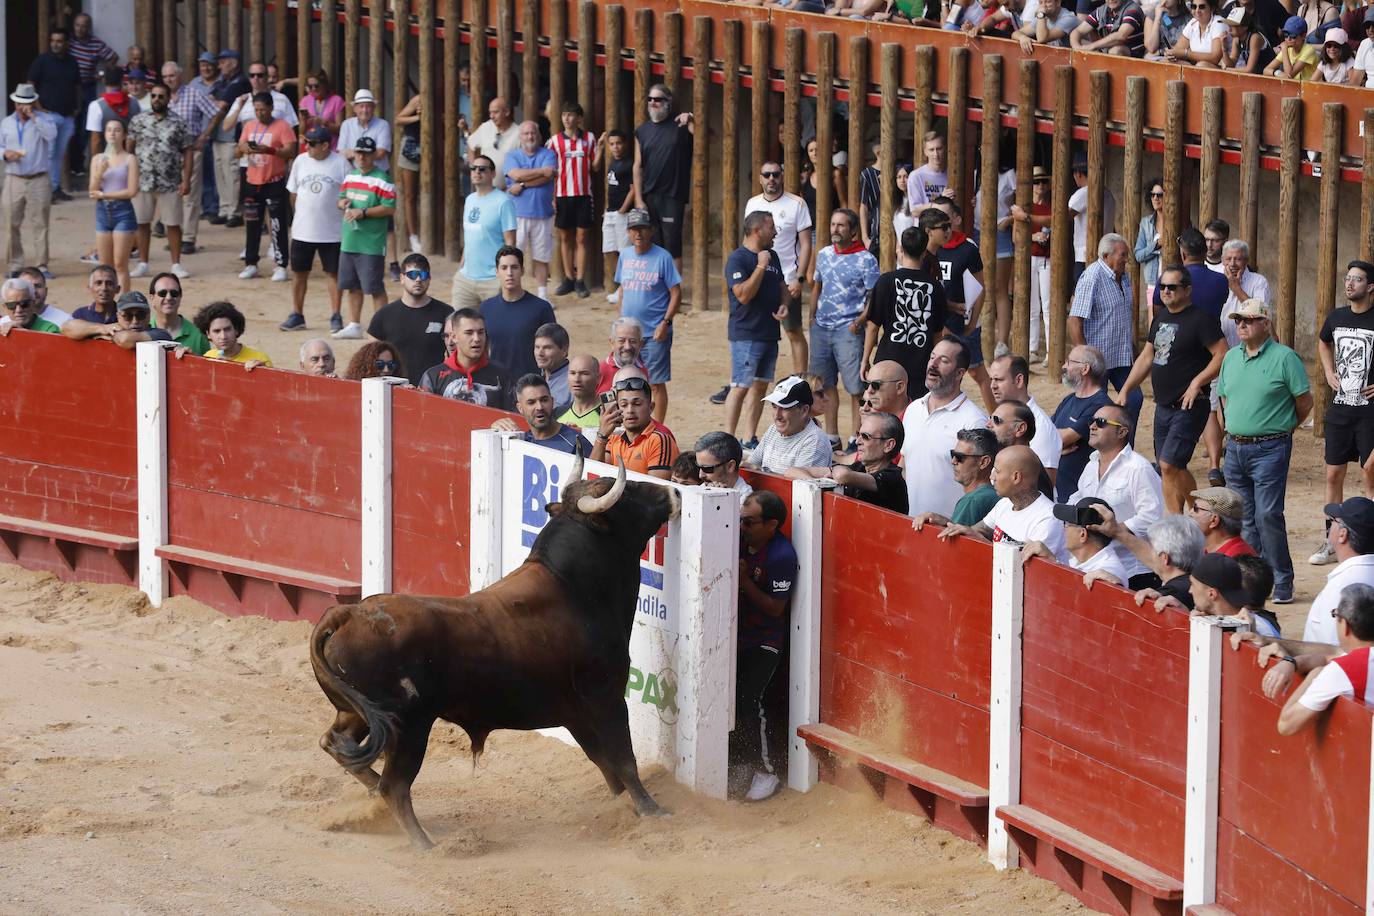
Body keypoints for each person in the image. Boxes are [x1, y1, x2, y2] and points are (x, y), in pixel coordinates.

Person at [1214, 298, 1312, 603]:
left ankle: (1282, 580)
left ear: (1265, 324)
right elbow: (1224, 399)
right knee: (1243, 518)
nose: (1241, 325)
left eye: (1249, 320)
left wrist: (1283, 429)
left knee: (1268, 515)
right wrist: (1230, 429)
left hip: (1270, 448)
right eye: (1238, 320)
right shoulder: (1231, 357)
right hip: (1236, 447)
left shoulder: (1285, 358)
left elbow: (1305, 403)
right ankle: (1253, 582)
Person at [1117, 265, 1228, 512]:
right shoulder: (1161, 318)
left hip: (1190, 405)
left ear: (1187, 290)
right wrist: (1125, 389)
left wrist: (1197, 382)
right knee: (1171, 466)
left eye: (1172, 287)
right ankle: (1189, 515)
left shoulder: (1201, 320)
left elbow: (1222, 355)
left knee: (1167, 465)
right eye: (1162, 287)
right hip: (1164, 405)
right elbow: (1147, 357)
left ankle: (1186, 518)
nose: (1165, 292)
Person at [732, 489, 797, 803]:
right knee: (732, 699)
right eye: (741, 520)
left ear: (771, 525)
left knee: (749, 699)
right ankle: (741, 762)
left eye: (749, 522)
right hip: (736, 634)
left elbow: (775, 608)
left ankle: (767, 770)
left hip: (764, 641)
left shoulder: (781, 556)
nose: (742, 526)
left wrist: (744, 584)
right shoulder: (739, 538)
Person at [1314, 260, 1374, 565]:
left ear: (1370, 287)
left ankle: (1368, 542)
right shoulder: (1336, 317)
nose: (1350, 283)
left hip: (1370, 412)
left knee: (1370, 473)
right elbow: (1324, 342)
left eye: (1358, 279)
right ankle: (1330, 541)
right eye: (1348, 278)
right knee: (1333, 474)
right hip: (1340, 408)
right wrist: (1328, 370)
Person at [1067, 404, 1165, 588]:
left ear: (1121, 432)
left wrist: (1112, 530)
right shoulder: (1091, 465)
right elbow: (1078, 498)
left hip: (1134, 571)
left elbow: (1152, 518)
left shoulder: (1138, 468)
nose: (1092, 426)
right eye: (1092, 421)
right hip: (1093, 564)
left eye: (1101, 422)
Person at [810, 207, 879, 450]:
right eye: (832, 225)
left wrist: (859, 321)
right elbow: (817, 286)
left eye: (841, 225)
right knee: (825, 384)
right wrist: (811, 317)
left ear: (853, 231)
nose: (835, 230)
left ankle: (855, 436)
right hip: (821, 328)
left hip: (849, 330)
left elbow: (873, 297)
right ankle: (831, 436)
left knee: (856, 388)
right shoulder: (824, 254)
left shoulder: (866, 259)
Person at [901, 337, 989, 517]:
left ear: (959, 373)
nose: (933, 364)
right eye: (932, 357)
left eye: (944, 361)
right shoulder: (913, 410)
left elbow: (981, 487)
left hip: (950, 532)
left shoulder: (974, 421)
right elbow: (905, 465)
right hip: (912, 525)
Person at [921, 199, 995, 412]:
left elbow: (980, 287)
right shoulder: (927, 248)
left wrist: (973, 321)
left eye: (945, 218)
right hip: (937, 322)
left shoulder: (967, 248)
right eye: (936, 217)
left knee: (976, 371)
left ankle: (996, 416)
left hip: (962, 320)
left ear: (955, 219)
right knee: (937, 371)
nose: (941, 223)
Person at [745, 160, 814, 380]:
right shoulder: (752, 203)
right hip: (759, 276)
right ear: (760, 178)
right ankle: (751, 377)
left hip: (786, 278)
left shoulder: (797, 203)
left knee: (793, 331)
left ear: (782, 176)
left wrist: (799, 278)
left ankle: (800, 380)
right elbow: (747, 241)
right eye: (767, 175)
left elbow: (805, 244)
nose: (771, 179)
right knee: (754, 331)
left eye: (775, 174)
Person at [1068, 234, 1144, 433]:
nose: (1127, 259)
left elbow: (1122, 317)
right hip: (1097, 360)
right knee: (1095, 407)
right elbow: (1075, 320)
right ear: (1105, 256)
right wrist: (1085, 357)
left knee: (1134, 398)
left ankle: (1124, 448)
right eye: (1122, 255)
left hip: (1121, 355)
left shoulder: (1123, 277)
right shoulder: (1091, 277)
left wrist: (1133, 349)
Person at [278, 125, 350, 331]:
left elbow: (349, 191)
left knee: (333, 274)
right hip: (303, 230)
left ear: (326, 145)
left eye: (312, 143)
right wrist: (301, 215)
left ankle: (336, 314)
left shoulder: (341, 163)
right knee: (299, 273)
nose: (307, 146)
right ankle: (297, 314)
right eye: (306, 142)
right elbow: (293, 193)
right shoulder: (300, 161)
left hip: (332, 231)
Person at [1277, 584, 1374, 736]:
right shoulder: (1351, 663)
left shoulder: (1342, 670)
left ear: (1345, 626)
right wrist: (1292, 662)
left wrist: (1315, 674)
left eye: (1336, 615)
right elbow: (1329, 657)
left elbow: (1286, 724)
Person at [938, 446, 1067, 560]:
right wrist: (942, 523)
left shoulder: (1047, 519)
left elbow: (1027, 570)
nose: (991, 477)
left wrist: (981, 540)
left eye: (997, 471)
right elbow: (979, 530)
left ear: (1016, 477)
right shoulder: (1005, 503)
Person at [724, 211, 787, 443]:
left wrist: (784, 304)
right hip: (746, 335)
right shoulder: (738, 259)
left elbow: (782, 286)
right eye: (772, 228)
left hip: (770, 333)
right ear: (757, 231)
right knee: (740, 386)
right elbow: (742, 295)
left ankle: (749, 437)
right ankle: (728, 439)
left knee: (760, 387)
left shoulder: (773, 256)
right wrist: (760, 267)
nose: (776, 232)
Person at [864, 226, 948, 397]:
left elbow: (873, 327)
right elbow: (937, 335)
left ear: (901, 249)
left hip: (888, 361)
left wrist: (864, 360)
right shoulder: (935, 287)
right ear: (925, 253)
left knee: (885, 417)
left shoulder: (886, 281)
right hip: (921, 364)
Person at [617, 208, 682, 424]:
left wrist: (665, 322)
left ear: (651, 231)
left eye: (643, 229)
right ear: (628, 232)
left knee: (656, 382)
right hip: (629, 335)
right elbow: (622, 290)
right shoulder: (624, 255)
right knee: (628, 379)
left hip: (655, 332)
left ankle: (658, 428)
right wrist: (620, 324)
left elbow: (676, 292)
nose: (638, 234)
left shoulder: (663, 257)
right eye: (634, 229)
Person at [127, 81, 194, 282]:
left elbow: (188, 151)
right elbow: (129, 148)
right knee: (142, 223)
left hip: (170, 181)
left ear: (168, 98)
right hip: (143, 180)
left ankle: (176, 264)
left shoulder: (179, 122)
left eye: (161, 96)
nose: (157, 99)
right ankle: (143, 262)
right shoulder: (138, 120)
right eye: (154, 96)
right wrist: (128, 176)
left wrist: (186, 179)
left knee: (172, 224)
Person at [330, 135, 395, 336]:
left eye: (366, 153)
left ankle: (384, 327)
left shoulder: (383, 179)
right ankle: (354, 324)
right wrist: (343, 204)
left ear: (373, 155)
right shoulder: (350, 177)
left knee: (375, 287)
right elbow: (340, 199)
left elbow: (389, 208)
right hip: (350, 241)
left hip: (371, 243)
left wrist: (364, 212)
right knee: (352, 285)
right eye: (358, 152)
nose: (361, 157)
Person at [788, 411, 908, 514]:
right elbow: (791, 471)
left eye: (865, 437)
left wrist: (830, 475)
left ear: (888, 445)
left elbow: (842, 475)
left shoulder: (893, 478)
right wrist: (815, 484)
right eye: (858, 435)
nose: (857, 441)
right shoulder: (858, 467)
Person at [360, 252, 452, 386]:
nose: (418, 279)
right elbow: (369, 359)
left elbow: (457, 356)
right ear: (402, 278)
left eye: (424, 275)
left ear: (429, 279)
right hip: (394, 388)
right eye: (412, 275)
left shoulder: (446, 313)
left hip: (434, 388)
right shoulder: (384, 315)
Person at [234, 92, 296, 283]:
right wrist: (244, 149)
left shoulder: (282, 126)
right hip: (252, 182)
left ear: (271, 108)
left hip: (274, 181)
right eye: (256, 110)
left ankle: (281, 265)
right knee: (252, 224)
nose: (259, 113)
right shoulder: (250, 126)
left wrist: (269, 150)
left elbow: (291, 150)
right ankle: (251, 263)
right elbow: (237, 151)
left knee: (277, 225)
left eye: (263, 109)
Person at [162, 61, 222, 255]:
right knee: (171, 196)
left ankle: (188, 238)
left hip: (191, 150)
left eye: (172, 76)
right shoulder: (162, 97)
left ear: (180, 76)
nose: (169, 80)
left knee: (190, 195)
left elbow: (215, 113)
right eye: (165, 77)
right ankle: (174, 236)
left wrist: (204, 136)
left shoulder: (194, 93)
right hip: (168, 154)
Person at [632, 84, 694, 270]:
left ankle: (674, 291)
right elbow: (637, 166)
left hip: (673, 196)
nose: (653, 103)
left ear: (668, 102)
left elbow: (706, 139)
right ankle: (658, 288)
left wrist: (692, 119)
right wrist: (638, 199)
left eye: (658, 99)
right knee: (653, 244)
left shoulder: (680, 126)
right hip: (649, 195)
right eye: (650, 99)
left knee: (672, 246)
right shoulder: (642, 131)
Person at [1091, 510, 1204, 609]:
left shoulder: (1171, 594)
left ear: (1164, 558)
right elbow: (1148, 556)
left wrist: (1116, 587)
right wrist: (1116, 532)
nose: (1150, 553)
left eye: (1152, 549)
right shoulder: (1201, 582)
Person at [2, 85, 57, 279]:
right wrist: (4, 154)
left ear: (32, 103)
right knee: (10, 223)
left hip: (38, 178)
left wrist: (35, 117)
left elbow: (52, 136)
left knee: (40, 223)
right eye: (18, 103)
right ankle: (15, 264)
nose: (21, 107)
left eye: (25, 103)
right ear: (14, 103)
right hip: (13, 178)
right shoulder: (6, 123)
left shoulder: (44, 120)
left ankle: (41, 265)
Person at [450, 154, 516, 310]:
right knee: (459, 327)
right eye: (473, 168)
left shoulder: (503, 201)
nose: (476, 172)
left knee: (494, 330)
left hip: (492, 280)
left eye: (482, 169)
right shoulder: (470, 199)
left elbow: (510, 243)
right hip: (465, 279)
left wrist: (504, 276)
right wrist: (460, 268)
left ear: (492, 174)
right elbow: (470, 238)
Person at [547, 102, 599, 299]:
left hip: (584, 195)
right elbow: (550, 171)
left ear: (579, 118)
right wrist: (551, 197)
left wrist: (601, 149)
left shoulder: (590, 139)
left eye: (571, 115)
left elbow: (594, 167)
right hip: (561, 196)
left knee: (582, 238)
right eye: (564, 115)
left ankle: (580, 280)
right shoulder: (554, 142)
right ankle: (568, 278)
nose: (567, 119)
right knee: (565, 238)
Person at [481, 246, 556, 380]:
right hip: (496, 383)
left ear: (522, 271)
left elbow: (554, 350)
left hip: (531, 384)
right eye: (504, 268)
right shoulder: (486, 308)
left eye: (514, 267)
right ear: (497, 271)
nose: (509, 273)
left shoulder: (541, 308)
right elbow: (482, 349)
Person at [1051, 345, 1115, 502]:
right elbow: (1045, 433)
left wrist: (1055, 443)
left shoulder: (1100, 406)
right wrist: (1056, 447)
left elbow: (1062, 438)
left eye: (1070, 362)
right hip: (1056, 491)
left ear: (1085, 369)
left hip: (1077, 497)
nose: (1064, 366)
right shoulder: (1069, 399)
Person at [503, 121, 558, 300]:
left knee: (541, 257)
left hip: (542, 214)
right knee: (513, 258)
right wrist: (539, 172)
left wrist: (522, 184)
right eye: (526, 134)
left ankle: (543, 295)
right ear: (520, 137)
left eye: (533, 133)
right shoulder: (512, 155)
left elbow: (549, 175)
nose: (530, 136)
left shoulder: (549, 154)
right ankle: (513, 293)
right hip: (516, 215)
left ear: (539, 135)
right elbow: (515, 174)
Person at [1025, 497, 1131, 587]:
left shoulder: (1109, 570)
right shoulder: (1077, 559)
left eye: (1068, 524)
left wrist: (1052, 560)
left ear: (1082, 534)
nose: (1064, 528)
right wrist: (1051, 560)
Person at [27, 28, 83, 200]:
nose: (55, 44)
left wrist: (77, 107)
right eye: (53, 40)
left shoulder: (72, 62)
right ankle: (44, 191)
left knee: (59, 154)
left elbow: (77, 86)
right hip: (47, 114)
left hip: (67, 116)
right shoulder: (42, 61)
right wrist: (37, 106)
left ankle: (55, 188)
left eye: (59, 41)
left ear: (66, 43)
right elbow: (30, 83)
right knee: (48, 153)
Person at [418, 308, 513, 407]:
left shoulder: (501, 375)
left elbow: (512, 416)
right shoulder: (433, 377)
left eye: (481, 332)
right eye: (469, 333)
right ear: (454, 337)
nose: (476, 339)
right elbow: (421, 416)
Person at [590, 373, 678, 479]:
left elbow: (656, 491)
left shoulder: (659, 440)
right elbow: (594, 477)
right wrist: (602, 436)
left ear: (651, 407)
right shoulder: (613, 439)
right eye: (624, 405)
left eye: (637, 404)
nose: (630, 410)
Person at [989, 353, 1061, 481]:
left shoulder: (1041, 426)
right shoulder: (1001, 413)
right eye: (991, 380)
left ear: (1018, 380)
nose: (993, 386)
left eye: (999, 380)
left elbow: (1045, 483)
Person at [87, 119, 139, 293]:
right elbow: (92, 190)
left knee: (120, 263)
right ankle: (105, 302)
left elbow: (131, 191)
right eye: (109, 130)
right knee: (105, 265)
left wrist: (104, 194)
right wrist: (100, 172)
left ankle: (125, 302)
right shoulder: (97, 159)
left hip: (122, 210)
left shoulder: (130, 159)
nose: (112, 133)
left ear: (123, 135)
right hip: (103, 211)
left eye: (117, 130)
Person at [912, 427, 1001, 529]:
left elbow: (953, 541)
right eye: (953, 454)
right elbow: (967, 532)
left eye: (959, 457)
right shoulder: (994, 494)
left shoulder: (973, 500)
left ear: (984, 462)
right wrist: (945, 522)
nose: (953, 461)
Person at [748, 376, 834, 472]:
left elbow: (801, 484)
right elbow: (752, 465)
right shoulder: (773, 430)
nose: (777, 416)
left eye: (785, 408)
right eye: (774, 406)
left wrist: (760, 471)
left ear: (804, 410)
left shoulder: (815, 440)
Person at [490, 374, 592, 455]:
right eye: (531, 402)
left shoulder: (575, 443)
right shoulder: (522, 441)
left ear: (552, 401)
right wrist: (495, 430)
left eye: (544, 400)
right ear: (520, 408)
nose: (539, 407)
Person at [210, 50, 250, 227]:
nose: (219, 66)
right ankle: (224, 209)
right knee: (221, 173)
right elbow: (214, 100)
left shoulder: (239, 82)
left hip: (231, 134)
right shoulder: (223, 82)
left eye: (223, 62)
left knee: (231, 173)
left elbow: (222, 105)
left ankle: (233, 212)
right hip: (218, 134)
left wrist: (212, 100)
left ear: (233, 63)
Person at [986, 401, 1055, 500]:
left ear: (1020, 429)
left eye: (996, 420)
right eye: (990, 418)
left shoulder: (1033, 479)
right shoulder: (995, 458)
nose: (988, 424)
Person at [1067, 158, 1119, 277]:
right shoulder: (1108, 194)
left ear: (1078, 174)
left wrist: (1027, 217)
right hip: (1107, 256)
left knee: (1080, 293)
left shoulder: (1082, 193)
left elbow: (1062, 219)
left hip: (1085, 256)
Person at [86, 65, 142, 168]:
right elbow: (138, 134)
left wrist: (95, 166)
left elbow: (96, 140)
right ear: (122, 81)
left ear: (103, 80)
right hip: (129, 159)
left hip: (106, 161)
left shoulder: (96, 106)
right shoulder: (134, 103)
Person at [601, 129, 634, 304]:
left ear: (625, 144)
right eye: (612, 144)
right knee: (609, 249)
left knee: (624, 251)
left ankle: (624, 289)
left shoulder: (629, 163)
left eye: (618, 143)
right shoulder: (612, 162)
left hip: (623, 214)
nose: (615, 147)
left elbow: (633, 188)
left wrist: (623, 209)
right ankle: (621, 284)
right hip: (610, 212)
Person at [194, 300, 272, 367]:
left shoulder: (260, 360)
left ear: (236, 330)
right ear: (208, 334)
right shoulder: (208, 357)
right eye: (217, 331)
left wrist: (263, 371)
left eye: (227, 329)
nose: (223, 336)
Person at [148, 271, 210, 355]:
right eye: (162, 293)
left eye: (174, 293)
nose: (169, 297)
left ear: (180, 297)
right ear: (152, 298)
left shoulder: (198, 335)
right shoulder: (143, 333)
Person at [1188, 485, 1258, 557]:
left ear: (1214, 520)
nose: (1189, 512)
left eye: (1196, 508)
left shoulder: (1234, 560)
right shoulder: (1207, 548)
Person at [466, 96, 519, 181]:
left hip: (508, 191)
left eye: (495, 112)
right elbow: (470, 144)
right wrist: (473, 168)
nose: (491, 116)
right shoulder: (485, 127)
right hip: (484, 189)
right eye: (490, 113)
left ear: (507, 112)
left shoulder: (519, 132)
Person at [1070, 0, 1148, 55]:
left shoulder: (1132, 9)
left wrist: (1091, 46)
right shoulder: (1101, 10)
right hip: (1107, 48)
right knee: (1079, 41)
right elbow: (1078, 31)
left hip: (1132, 51)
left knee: (1115, 51)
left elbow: (1120, 36)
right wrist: (1076, 46)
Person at [1134, 178, 1165, 308]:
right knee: (1152, 321)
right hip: (1152, 281)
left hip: (1173, 281)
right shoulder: (1145, 223)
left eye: (1159, 195)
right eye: (1153, 195)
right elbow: (1138, 255)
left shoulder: (1180, 222)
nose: (1155, 198)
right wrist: (1157, 245)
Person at [598, 315, 648, 393]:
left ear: (641, 344)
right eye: (621, 341)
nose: (627, 347)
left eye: (633, 341)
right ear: (612, 342)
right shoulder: (599, 371)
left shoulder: (642, 371)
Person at [694, 431, 753, 495]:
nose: (700, 475)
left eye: (707, 469)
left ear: (730, 466)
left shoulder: (746, 499)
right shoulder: (705, 487)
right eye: (698, 467)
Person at [557, 354, 604, 431]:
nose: (577, 379)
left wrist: (582, 431)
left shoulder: (608, 415)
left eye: (584, 373)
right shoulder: (557, 414)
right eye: (572, 373)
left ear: (598, 378)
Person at [1014, 0, 1084, 49]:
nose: (1043, 6)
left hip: (1079, 59)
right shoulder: (1043, 17)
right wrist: (1022, 38)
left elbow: (1042, 39)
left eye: (1048, 1)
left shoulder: (1069, 18)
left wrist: (1041, 14)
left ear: (1058, 2)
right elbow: (1015, 33)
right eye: (1041, 2)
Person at [534, 323, 571, 409]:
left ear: (564, 350)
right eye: (537, 347)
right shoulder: (537, 377)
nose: (540, 353)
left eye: (547, 348)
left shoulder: (574, 383)